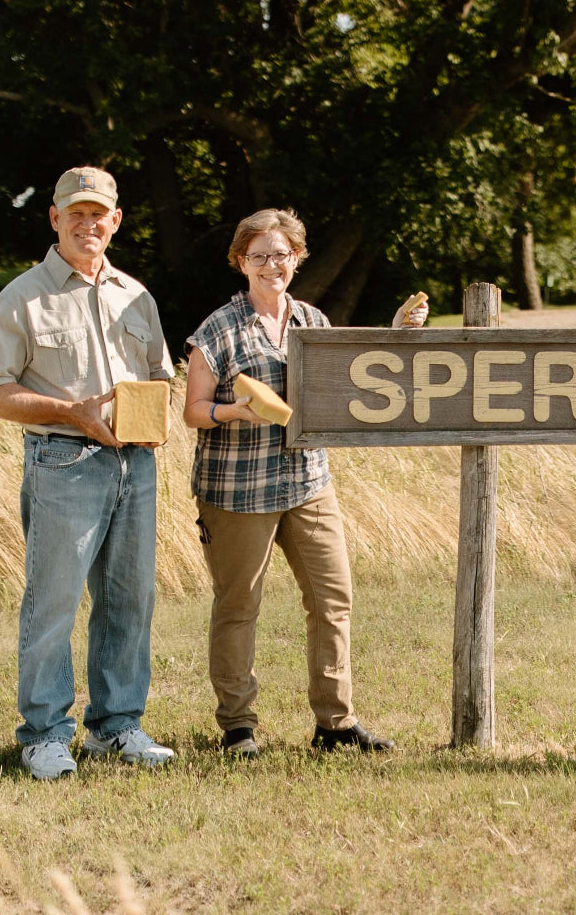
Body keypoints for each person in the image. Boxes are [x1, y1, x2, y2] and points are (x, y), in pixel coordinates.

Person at [183, 208, 427, 757]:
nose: (272, 264)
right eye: (260, 255)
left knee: (333, 597)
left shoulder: (312, 321)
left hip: (308, 481)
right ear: (241, 262)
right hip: (237, 490)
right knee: (239, 605)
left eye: (282, 254)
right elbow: (193, 411)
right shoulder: (219, 328)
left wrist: (397, 336)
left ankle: (335, 723)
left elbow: (348, 382)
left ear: (297, 258)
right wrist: (235, 413)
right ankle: (238, 727)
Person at [0, 166, 176, 779]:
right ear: (54, 218)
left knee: (129, 601)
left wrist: (153, 418)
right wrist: (72, 413)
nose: (88, 224)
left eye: (99, 214)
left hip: (134, 463)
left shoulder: (136, 296)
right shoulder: (22, 296)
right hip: (62, 461)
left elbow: (157, 379)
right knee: (52, 602)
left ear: (115, 222)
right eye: (75, 213)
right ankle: (44, 734)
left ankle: (117, 728)